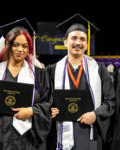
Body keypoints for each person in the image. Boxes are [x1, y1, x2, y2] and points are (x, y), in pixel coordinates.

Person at [46, 13, 115, 150]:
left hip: (91, 135)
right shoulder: (51, 71)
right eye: (74, 38)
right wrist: (48, 110)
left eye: (83, 39)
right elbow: (44, 101)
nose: (78, 42)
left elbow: (111, 101)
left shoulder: (99, 70)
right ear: (65, 41)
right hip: (61, 135)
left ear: (87, 44)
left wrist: (96, 114)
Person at [0, 18, 52, 150]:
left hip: (27, 138)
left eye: (25, 46)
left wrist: (32, 110)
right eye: (15, 45)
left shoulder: (39, 75)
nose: (20, 49)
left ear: (29, 48)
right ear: (8, 45)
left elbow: (47, 103)